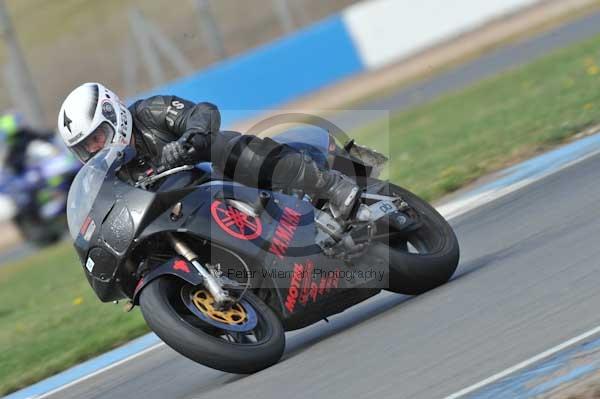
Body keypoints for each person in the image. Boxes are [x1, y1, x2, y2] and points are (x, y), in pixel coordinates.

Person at [57, 82, 359, 217]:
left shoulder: (150, 112)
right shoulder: (113, 176)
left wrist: (186, 142)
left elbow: (203, 112)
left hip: (220, 179)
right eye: (86, 146)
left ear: (113, 116)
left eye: (96, 137)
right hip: (193, 214)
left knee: (221, 145)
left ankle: (330, 185)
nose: (95, 148)